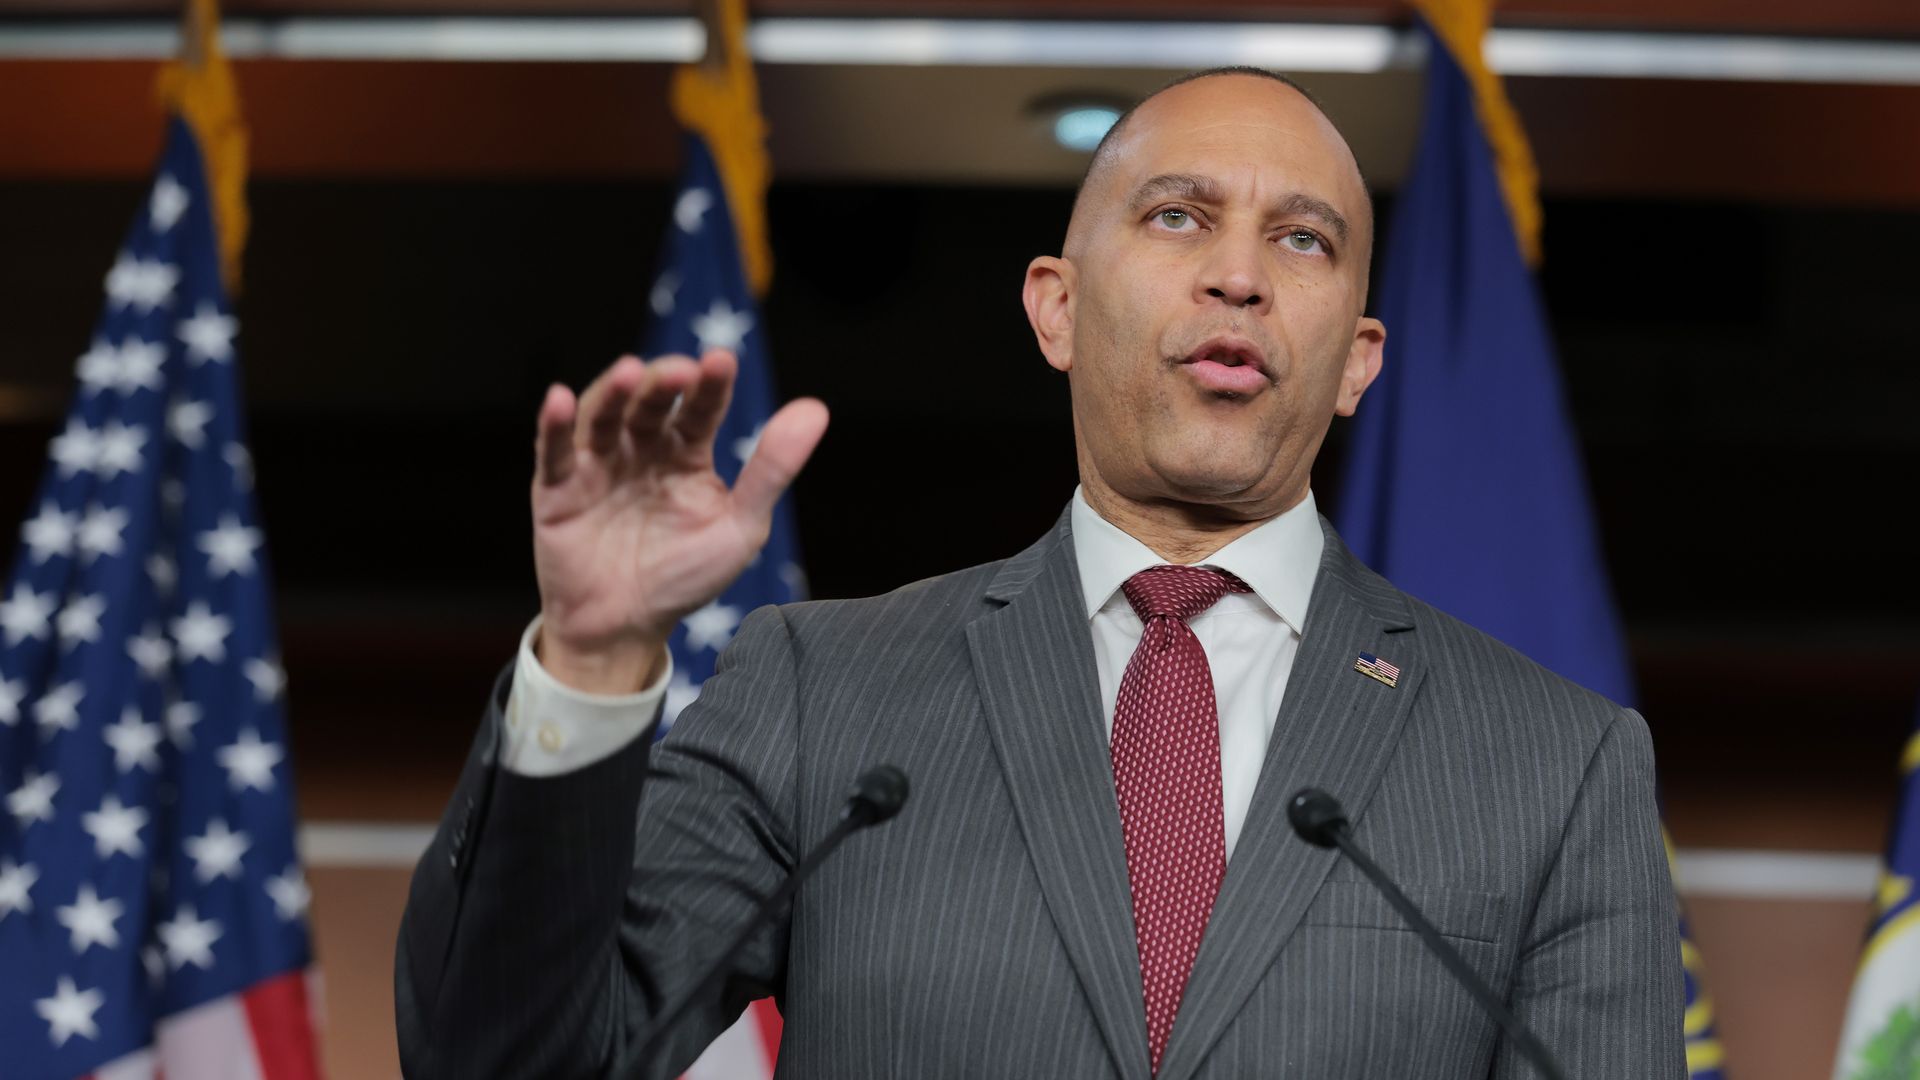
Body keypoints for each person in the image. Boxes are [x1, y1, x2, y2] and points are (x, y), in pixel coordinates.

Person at [395, 67, 1684, 1079]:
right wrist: (594, 657)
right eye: (1178, 216)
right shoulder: (822, 692)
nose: (1237, 274)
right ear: (1055, 308)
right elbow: (506, 1059)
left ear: (1358, 360)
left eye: (1303, 241)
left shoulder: (1554, 769)